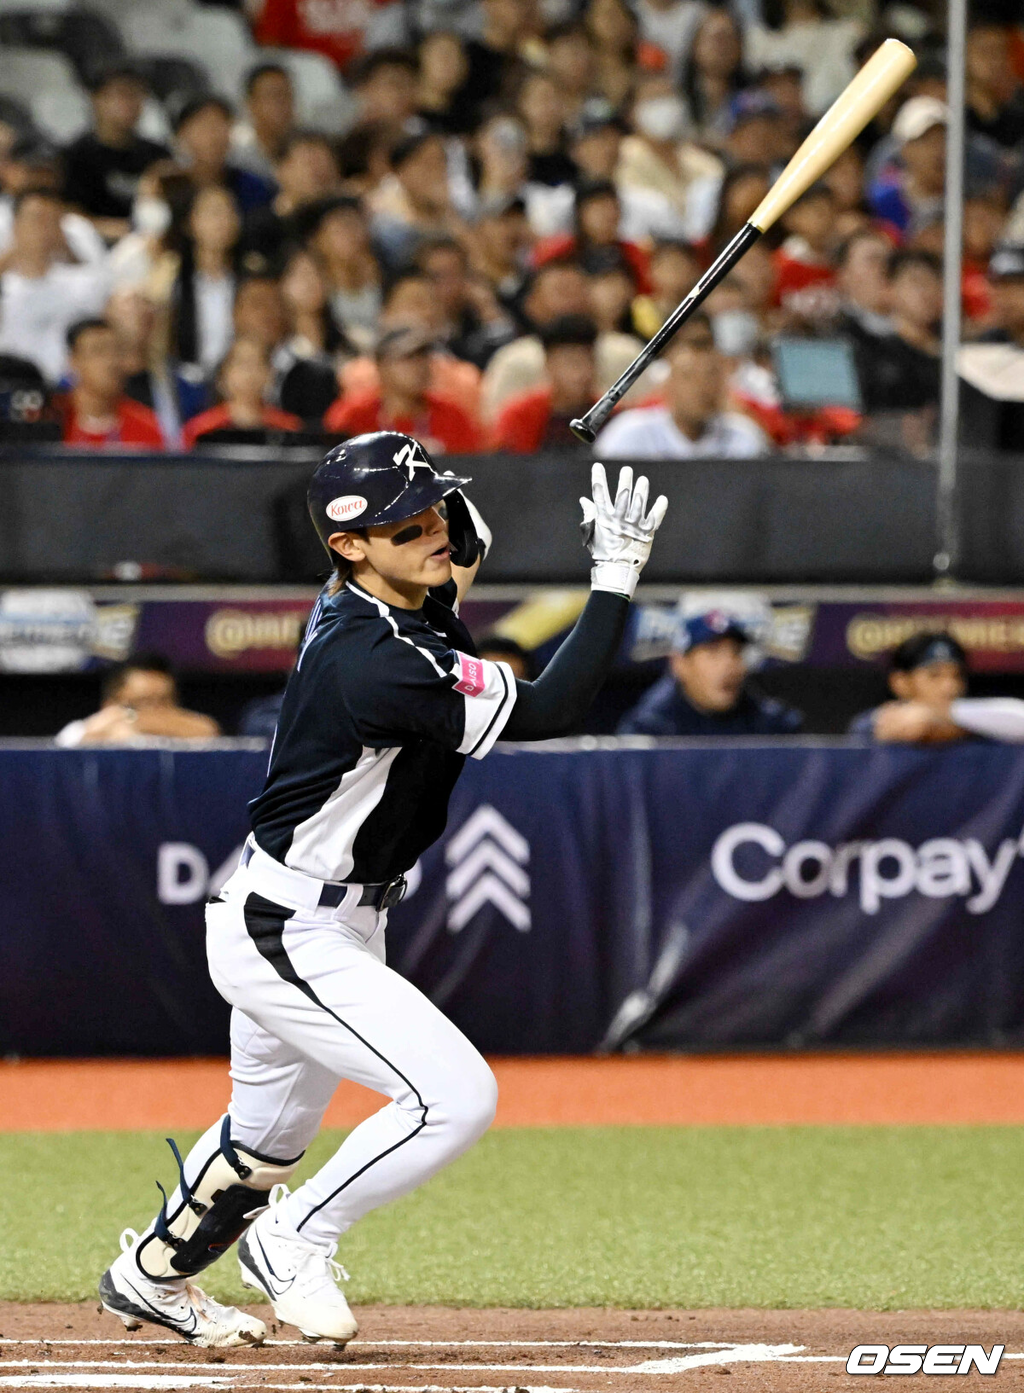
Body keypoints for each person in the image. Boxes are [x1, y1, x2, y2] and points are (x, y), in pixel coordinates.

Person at [97, 438, 667, 1346]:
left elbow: (463, 540)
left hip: (333, 915)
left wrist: (454, 483)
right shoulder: (375, 656)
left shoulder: (401, 585)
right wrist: (613, 579)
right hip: (288, 925)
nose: (433, 532)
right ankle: (292, 1236)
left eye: (433, 509)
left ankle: (151, 1276)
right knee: (455, 1097)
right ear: (349, 546)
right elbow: (553, 709)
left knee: (266, 1140)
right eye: (407, 523)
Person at [594, 313, 769, 459]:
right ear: (669, 383)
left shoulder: (744, 438)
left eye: (710, 375)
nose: (701, 386)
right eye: (689, 376)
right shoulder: (630, 433)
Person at [618, 605, 803, 736]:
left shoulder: (774, 727)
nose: (729, 664)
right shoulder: (650, 731)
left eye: (736, 652)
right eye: (713, 652)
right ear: (680, 663)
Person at [0, 188, 109, 383]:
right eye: (37, 219)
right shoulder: (5, 286)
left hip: (69, 390)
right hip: (12, 385)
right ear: (16, 226)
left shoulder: (85, 283)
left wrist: (68, 250)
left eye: (53, 220)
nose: (44, 228)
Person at [325, 325, 482, 453]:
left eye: (424, 357)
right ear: (381, 366)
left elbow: (475, 473)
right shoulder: (354, 415)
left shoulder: (453, 416)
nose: (420, 366)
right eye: (408, 358)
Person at [62, 66, 169, 241]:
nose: (130, 103)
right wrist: (129, 231)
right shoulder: (76, 156)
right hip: (95, 249)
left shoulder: (158, 155)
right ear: (97, 100)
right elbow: (72, 218)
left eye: (137, 95)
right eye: (121, 94)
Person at [55, 654, 219, 746]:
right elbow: (71, 744)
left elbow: (208, 730)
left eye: (163, 701)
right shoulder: (83, 729)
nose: (155, 710)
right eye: (143, 701)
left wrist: (133, 717)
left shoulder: (189, 729)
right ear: (110, 702)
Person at [493, 314, 597, 451]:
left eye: (589, 360)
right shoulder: (520, 417)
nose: (582, 372)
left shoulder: (611, 416)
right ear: (548, 363)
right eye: (572, 362)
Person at [59, 317, 165, 448]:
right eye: (98, 351)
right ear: (73, 361)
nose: (111, 362)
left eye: (117, 352)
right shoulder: (54, 421)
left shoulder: (149, 428)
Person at [183, 336, 302, 447]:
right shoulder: (200, 429)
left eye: (257, 364)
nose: (249, 374)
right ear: (224, 375)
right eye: (241, 364)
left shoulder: (289, 428)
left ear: (269, 373)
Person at [173, 97, 276, 215]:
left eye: (219, 125)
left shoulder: (251, 187)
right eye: (203, 126)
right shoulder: (172, 189)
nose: (213, 136)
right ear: (182, 134)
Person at [232, 64, 297, 183]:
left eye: (287, 95)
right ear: (251, 104)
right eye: (273, 96)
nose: (281, 104)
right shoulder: (236, 160)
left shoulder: (306, 155)